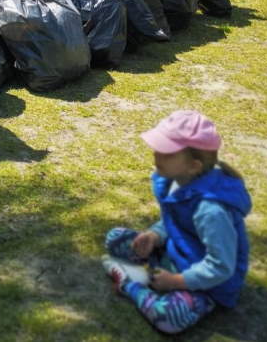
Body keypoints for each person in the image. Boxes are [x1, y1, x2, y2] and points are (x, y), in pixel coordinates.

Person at [101, 110, 251, 335]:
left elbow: (221, 266)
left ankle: (129, 284)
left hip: (207, 284)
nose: (156, 155)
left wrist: (176, 281)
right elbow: (174, 222)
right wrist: (154, 235)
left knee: (169, 317)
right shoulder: (173, 180)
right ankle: (150, 273)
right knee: (115, 238)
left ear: (194, 165)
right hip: (175, 256)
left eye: (167, 153)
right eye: (158, 149)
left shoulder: (211, 211)